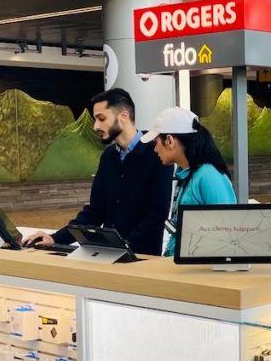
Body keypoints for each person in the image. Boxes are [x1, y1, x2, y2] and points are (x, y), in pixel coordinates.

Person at [25, 88, 172, 256]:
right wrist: (56, 238)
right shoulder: (108, 157)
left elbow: (157, 215)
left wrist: (124, 246)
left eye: (101, 119)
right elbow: (94, 212)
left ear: (123, 117)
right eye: (96, 119)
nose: (96, 126)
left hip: (142, 260)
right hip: (108, 256)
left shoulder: (157, 153)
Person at [140, 106, 236, 257]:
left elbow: (227, 233)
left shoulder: (208, 176)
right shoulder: (187, 175)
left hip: (199, 274)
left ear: (170, 141)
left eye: (156, 142)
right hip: (183, 268)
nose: (155, 149)